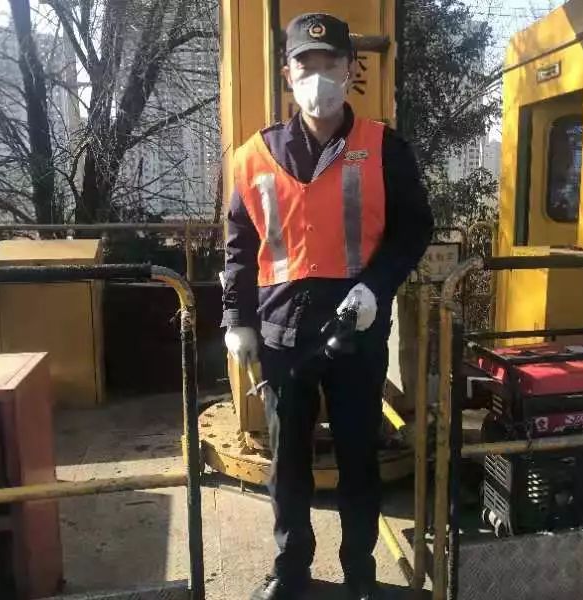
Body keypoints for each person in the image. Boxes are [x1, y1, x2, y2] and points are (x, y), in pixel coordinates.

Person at [221, 12, 434, 600]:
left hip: (355, 329)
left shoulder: (385, 147)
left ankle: (359, 574)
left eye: (330, 63)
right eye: (306, 64)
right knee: (288, 464)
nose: (319, 76)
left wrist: (377, 286)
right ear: (287, 74)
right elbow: (238, 247)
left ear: (351, 69)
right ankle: (291, 572)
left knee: (358, 458)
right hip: (282, 332)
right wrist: (237, 320)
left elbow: (414, 229)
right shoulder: (254, 155)